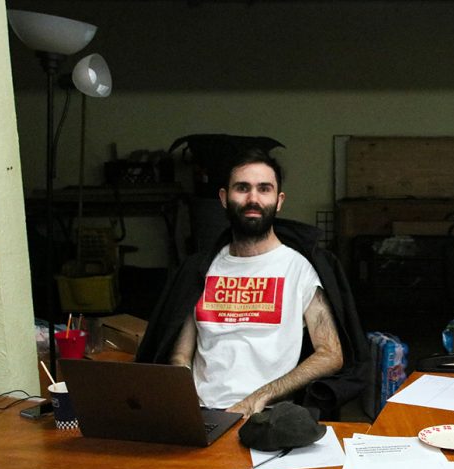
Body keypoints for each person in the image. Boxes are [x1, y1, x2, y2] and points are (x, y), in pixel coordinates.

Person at [136, 148, 370, 419]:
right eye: (242, 188)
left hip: (266, 416)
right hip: (202, 412)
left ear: (279, 200)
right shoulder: (200, 269)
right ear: (224, 198)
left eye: (264, 189)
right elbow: (180, 355)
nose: (253, 198)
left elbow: (331, 353)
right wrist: (185, 397)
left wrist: (257, 398)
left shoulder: (300, 268)